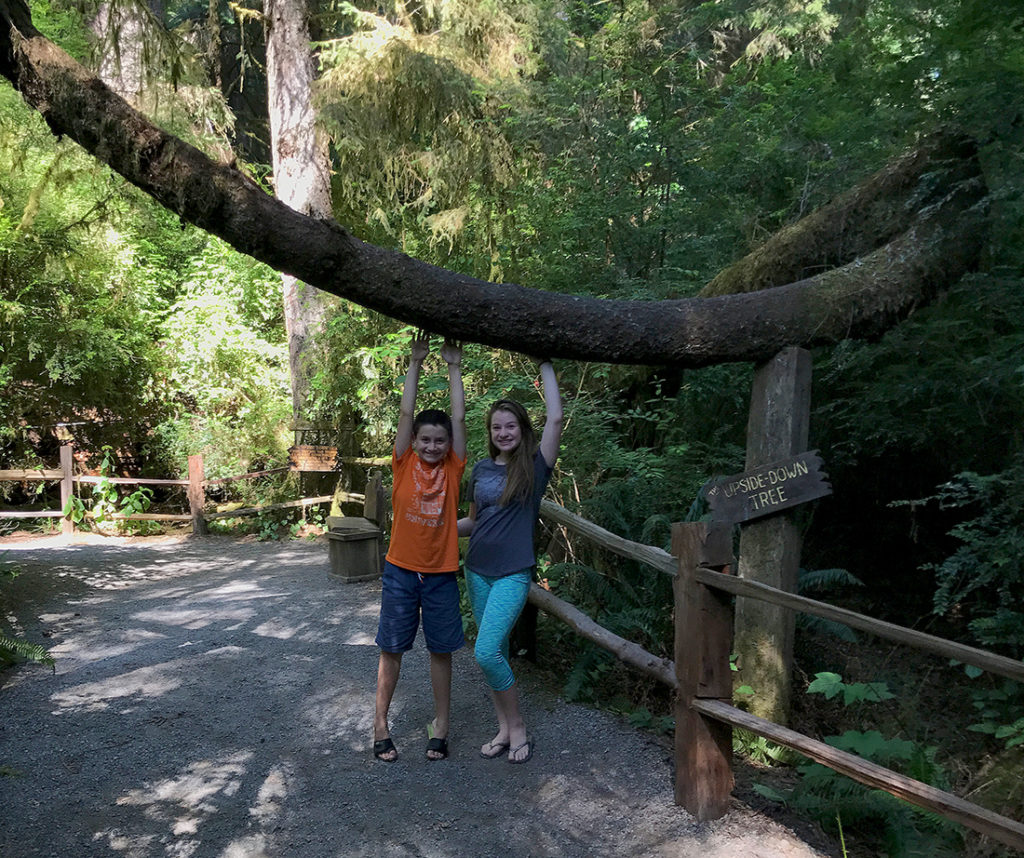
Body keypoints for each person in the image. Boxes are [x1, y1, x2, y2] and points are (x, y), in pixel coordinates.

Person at [460, 359, 563, 764]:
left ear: (522, 430)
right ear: (490, 433)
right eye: (496, 427)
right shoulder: (482, 469)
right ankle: (503, 728)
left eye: (510, 426)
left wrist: (545, 362)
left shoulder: (535, 469)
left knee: (484, 652)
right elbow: (473, 519)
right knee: (495, 651)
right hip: (476, 570)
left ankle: (518, 725)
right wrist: (432, 530)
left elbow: (555, 419)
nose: (503, 433)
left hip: (512, 574)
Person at [373, 332, 466, 763]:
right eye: (425, 439)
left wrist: (452, 367)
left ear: (448, 446)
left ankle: (440, 726)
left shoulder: (453, 467)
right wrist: (414, 362)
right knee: (391, 648)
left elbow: (460, 420)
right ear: (414, 442)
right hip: (400, 571)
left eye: (439, 440)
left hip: (441, 573)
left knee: (440, 650)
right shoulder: (403, 461)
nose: (431, 445)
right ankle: (380, 724)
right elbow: (407, 411)